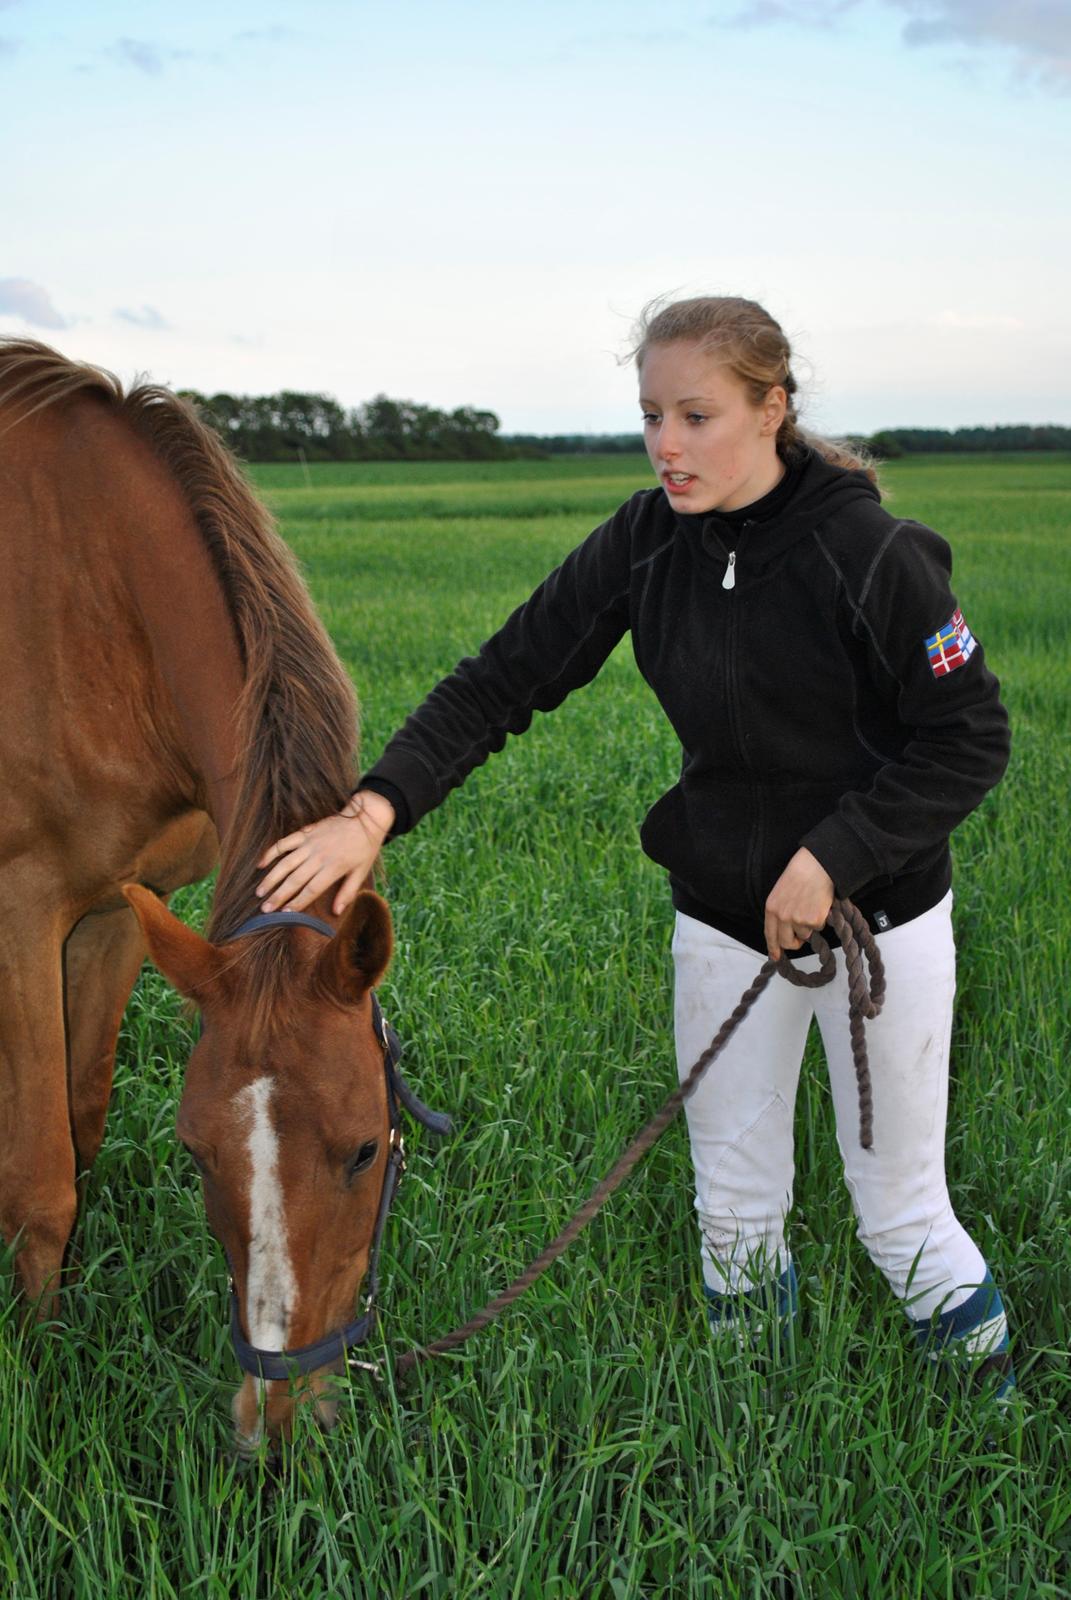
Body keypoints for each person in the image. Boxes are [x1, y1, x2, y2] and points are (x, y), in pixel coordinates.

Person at [256, 295, 1015, 1395]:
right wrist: (374, 809)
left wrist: (835, 855)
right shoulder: (646, 540)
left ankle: (990, 1427)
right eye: (651, 413)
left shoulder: (872, 552)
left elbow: (970, 733)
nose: (666, 443)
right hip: (719, 917)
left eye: (696, 415)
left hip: (875, 928)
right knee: (734, 1203)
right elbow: (504, 676)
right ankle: (755, 1434)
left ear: (772, 409)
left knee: (899, 1210)